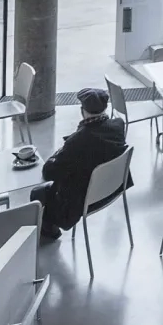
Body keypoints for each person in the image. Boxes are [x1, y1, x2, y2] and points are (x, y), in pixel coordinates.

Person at [31, 88, 128, 240]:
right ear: (105, 108)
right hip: (112, 189)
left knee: (38, 193)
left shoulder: (78, 141)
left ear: (82, 111)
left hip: (85, 198)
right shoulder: (118, 126)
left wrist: (57, 154)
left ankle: (49, 233)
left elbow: (49, 172)